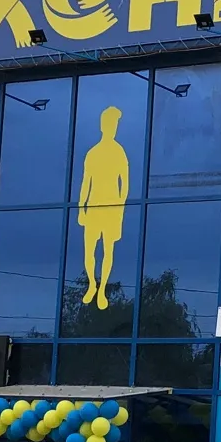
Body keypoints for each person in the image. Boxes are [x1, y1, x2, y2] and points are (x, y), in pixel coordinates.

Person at [77, 107, 130, 309]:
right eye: (110, 124)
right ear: (103, 126)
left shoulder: (119, 152)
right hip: (94, 207)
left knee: (108, 250)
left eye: (115, 124)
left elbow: (125, 183)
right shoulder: (93, 153)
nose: (112, 128)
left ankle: (102, 289)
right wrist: (81, 208)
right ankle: (92, 283)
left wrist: (120, 209)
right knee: (89, 250)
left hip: (111, 209)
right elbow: (86, 182)